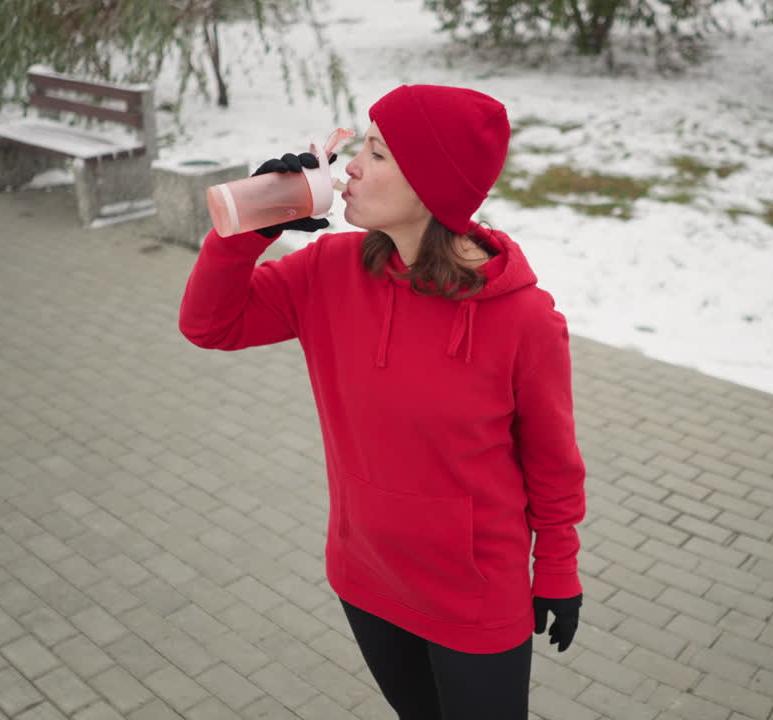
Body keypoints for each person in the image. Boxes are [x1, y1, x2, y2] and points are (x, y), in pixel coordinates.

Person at [178, 84, 586, 719]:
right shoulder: (328, 271)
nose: (351, 167)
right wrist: (250, 230)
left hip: (475, 597)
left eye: (379, 153)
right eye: (360, 145)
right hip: (367, 577)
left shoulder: (523, 319)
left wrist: (557, 566)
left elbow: (552, 461)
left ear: (430, 185)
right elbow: (211, 325)